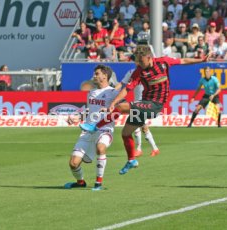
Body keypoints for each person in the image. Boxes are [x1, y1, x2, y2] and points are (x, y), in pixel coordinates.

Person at [79, 45, 211, 175]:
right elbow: (127, 89)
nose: (139, 64)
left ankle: (95, 127)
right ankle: (131, 160)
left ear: (149, 58)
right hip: (144, 104)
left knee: (120, 107)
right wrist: (113, 101)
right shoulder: (138, 71)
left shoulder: (163, 62)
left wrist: (201, 60)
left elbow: (182, 61)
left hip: (156, 104)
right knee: (125, 133)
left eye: (141, 61)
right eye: (138, 61)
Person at [64, 65, 119, 191]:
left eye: (97, 73)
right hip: (88, 130)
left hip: (104, 129)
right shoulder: (91, 93)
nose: (94, 76)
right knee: (73, 163)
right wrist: (78, 117)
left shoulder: (113, 93)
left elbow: (121, 110)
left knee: (101, 147)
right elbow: (89, 110)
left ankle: (98, 183)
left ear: (105, 76)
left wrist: (110, 111)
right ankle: (80, 182)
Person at [115, 69, 159, 157]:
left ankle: (143, 149)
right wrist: (112, 91)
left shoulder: (151, 71)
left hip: (146, 103)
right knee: (140, 126)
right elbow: (122, 83)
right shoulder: (132, 72)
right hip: (136, 103)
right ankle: (152, 149)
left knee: (141, 126)